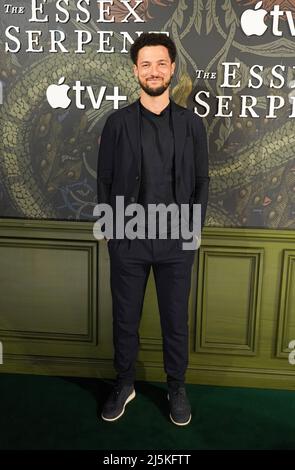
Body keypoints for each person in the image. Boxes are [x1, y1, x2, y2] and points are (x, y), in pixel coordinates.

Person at [97, 32, 210, 426]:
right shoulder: (116, 123)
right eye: (146, 64)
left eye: (161, 63)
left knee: (175, 320)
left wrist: (193, 229)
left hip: (177, 240)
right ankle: (124, 383)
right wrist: (109, 229)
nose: (154, 70)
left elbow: (202, 181)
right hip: (127, 239)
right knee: (124, 318)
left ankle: (176, 386)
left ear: (172, 67)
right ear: (135, 70)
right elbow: (105, 180)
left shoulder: (192, 125)